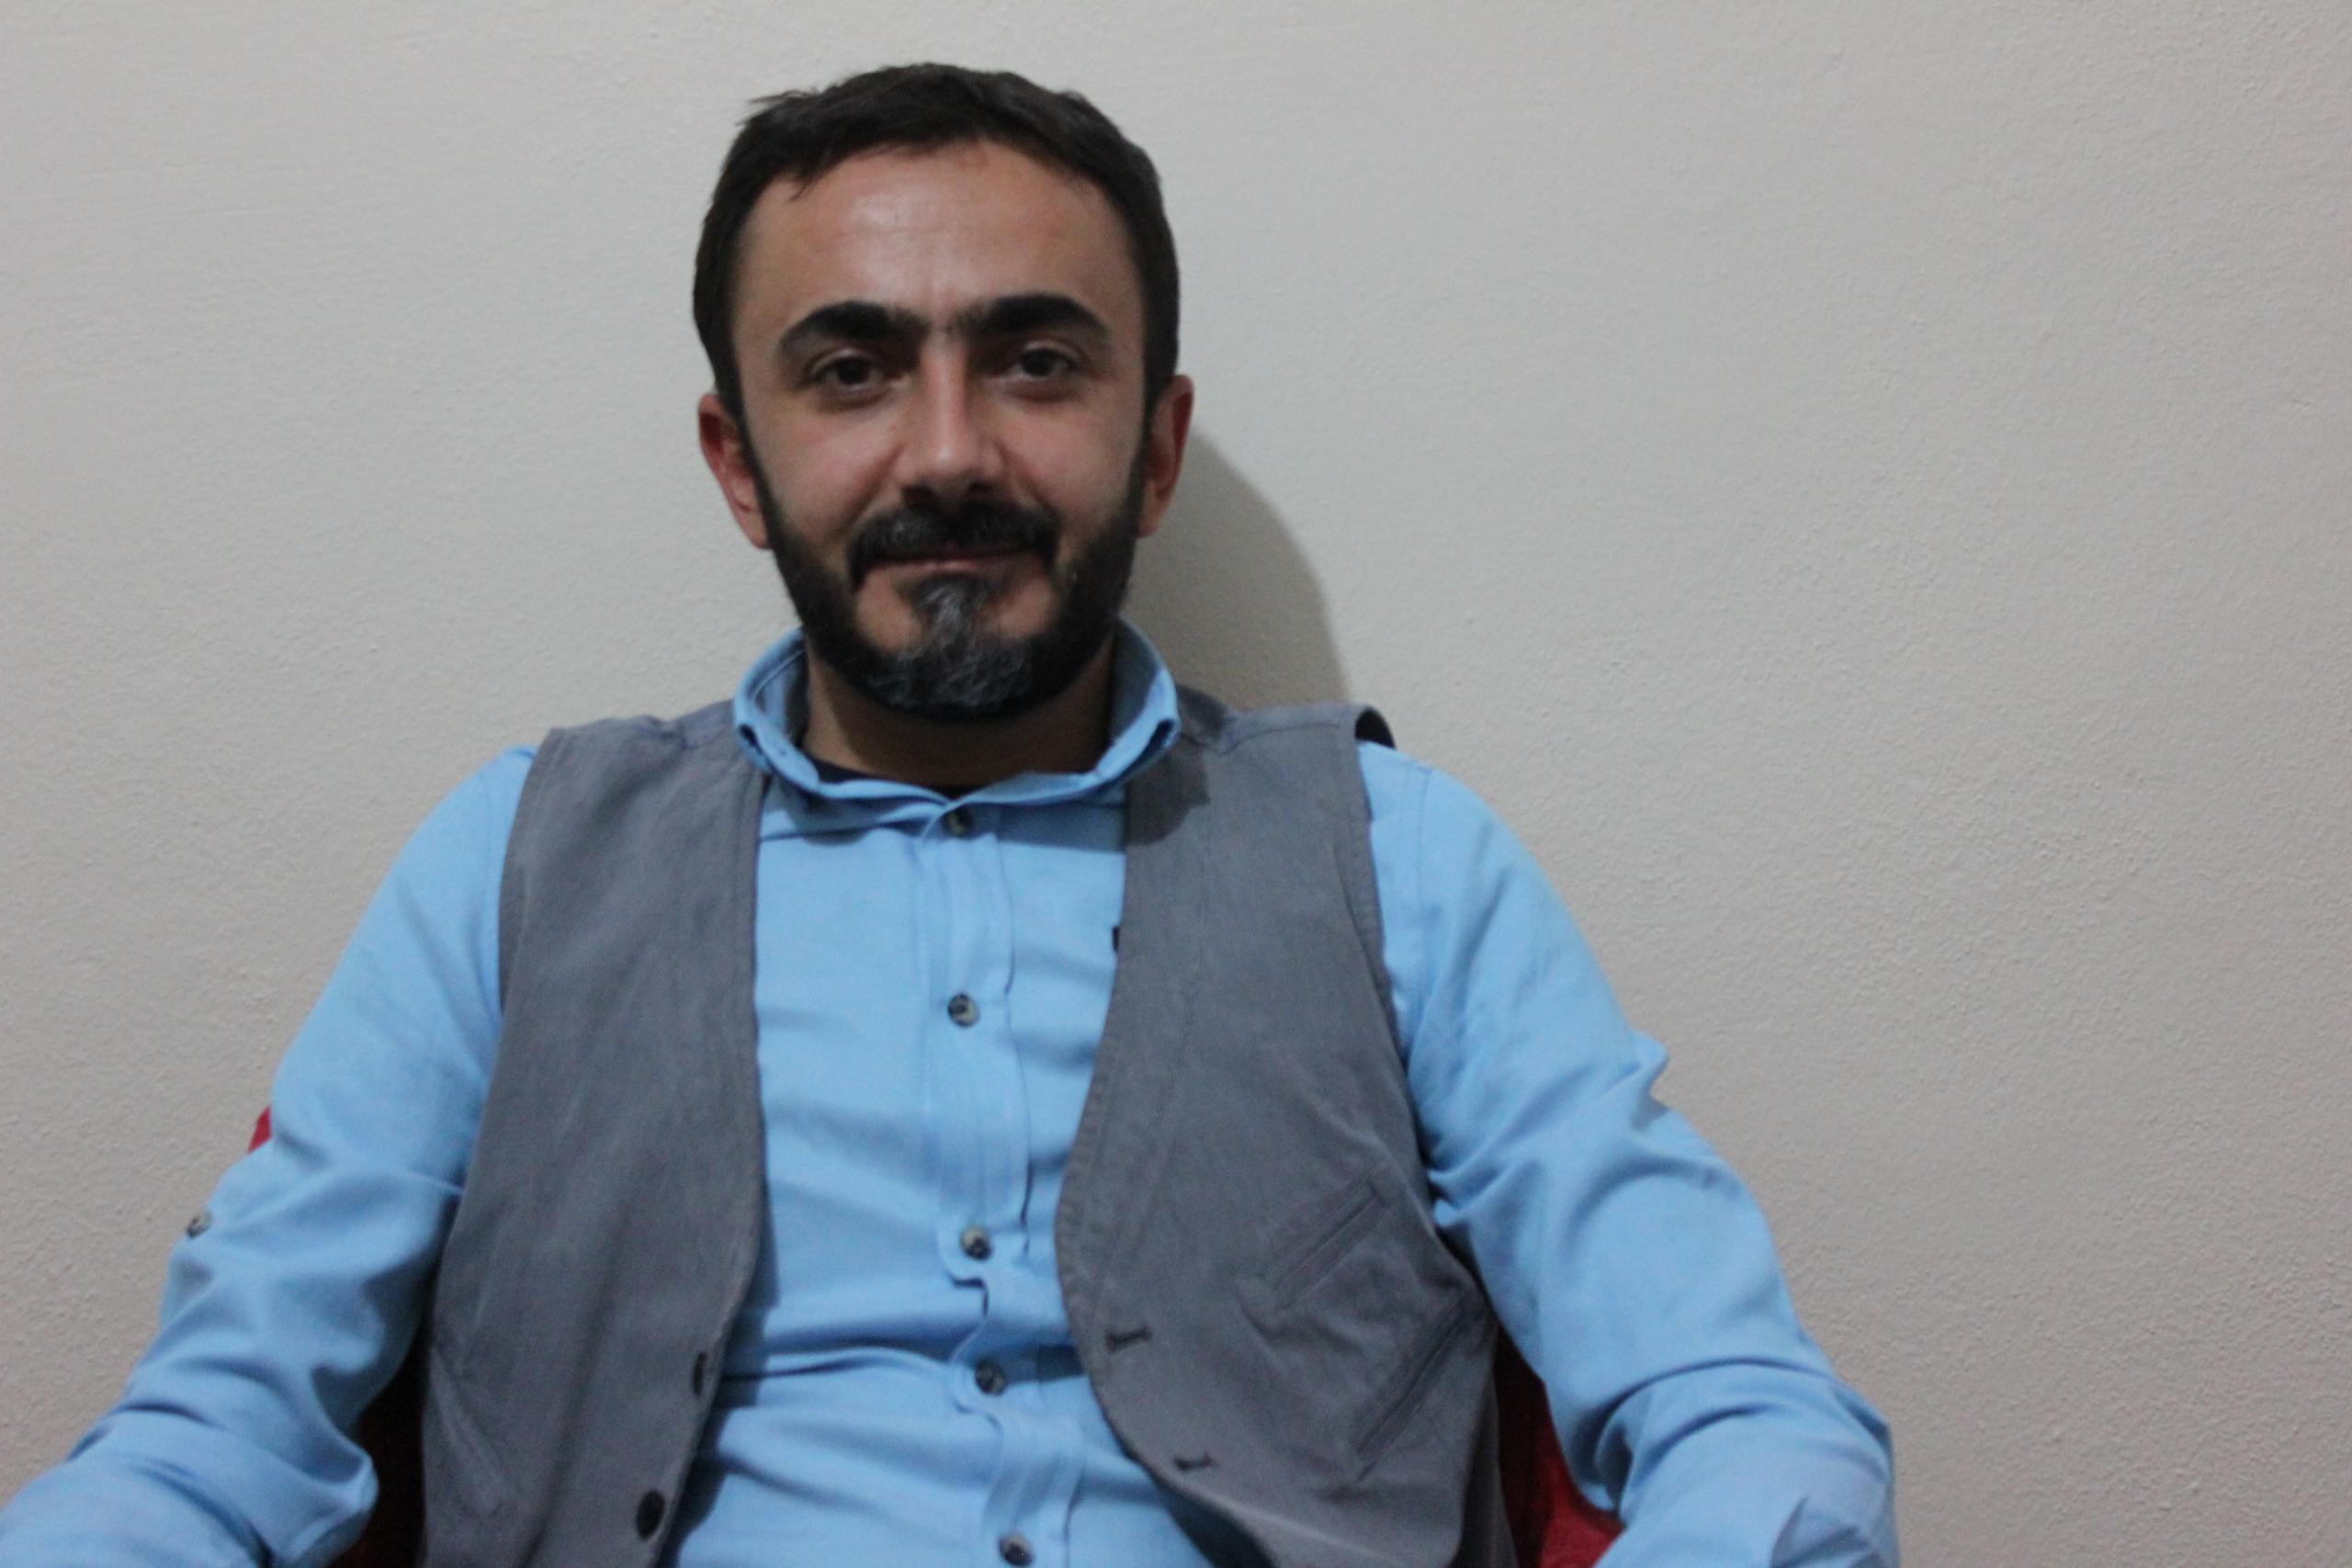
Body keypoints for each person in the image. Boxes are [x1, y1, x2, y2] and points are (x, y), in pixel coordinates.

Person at [0, 63, 1898, 1567]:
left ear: (1155, 441)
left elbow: (1746, 1414)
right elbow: (222, 1425)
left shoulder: (1403, 858)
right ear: (738, 462)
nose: (947, 452)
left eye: (1035, 360)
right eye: (850, 371)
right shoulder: (508, 863)